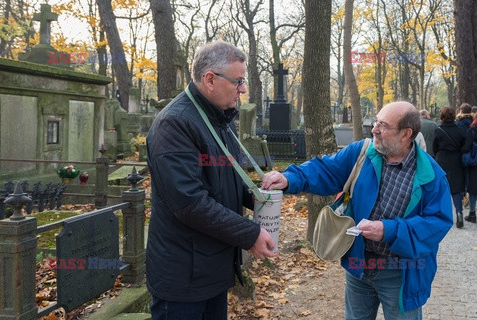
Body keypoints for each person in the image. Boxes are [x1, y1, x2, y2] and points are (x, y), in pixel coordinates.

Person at [262, 101, 453, 320]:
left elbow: (437, 223)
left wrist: (388, 230)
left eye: (383, 125)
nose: (374, 129)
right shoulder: (362, 152)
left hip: (401, 273)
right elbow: (325, 170)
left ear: (405, 134)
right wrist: (289, 178)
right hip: (359, 265)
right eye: (376, 122)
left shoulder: (431, 176)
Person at [145, 40, 276, 320]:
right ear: (210, 79)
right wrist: (249, 234)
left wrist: (260, 196)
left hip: (210, 268)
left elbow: (225, 179)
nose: (242, 89)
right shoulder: (175, 123)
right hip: (183, 276)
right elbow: (190, 202)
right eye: (238, 81)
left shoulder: (215, 118)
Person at [432, 106, 466, 228]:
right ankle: (459, 213)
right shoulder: (460, 130)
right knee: (456, 189)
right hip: (456, 160)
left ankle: (439, 216)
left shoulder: (438, 130)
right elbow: (465, 144)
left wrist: (438, 155)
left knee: (441, 187)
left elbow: (434, 147)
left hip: (442, 159)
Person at [462, 113, 477, 223]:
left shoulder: (472, 130)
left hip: (474, 163)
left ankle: (472, 213)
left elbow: (467, 146)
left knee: (473, 189)